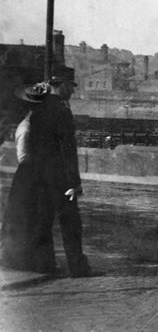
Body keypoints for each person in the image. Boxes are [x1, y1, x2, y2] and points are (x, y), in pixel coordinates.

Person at [2, 77, 92, 277]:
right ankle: (78, 268)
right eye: (70, 87)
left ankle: (44, 264)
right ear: (59, 86)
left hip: (35, 175)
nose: (72, 92)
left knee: (42, 220)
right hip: (58, 176)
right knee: (70, 221)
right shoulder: (61, 111)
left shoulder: (37, 111)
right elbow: (67, 149)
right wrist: (74, 182)